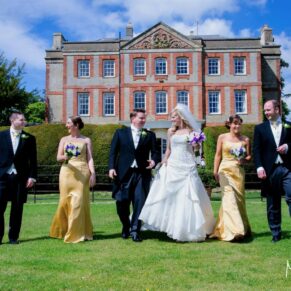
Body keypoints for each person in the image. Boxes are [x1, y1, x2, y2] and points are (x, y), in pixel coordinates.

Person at [139, 104, 215, 242]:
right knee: (169, 196)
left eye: (174, 117)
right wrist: (164, 161)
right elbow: (168, 149)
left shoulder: (191, 132)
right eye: (171, 117)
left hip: (187, 166)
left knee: (188, 197)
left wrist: (197, 144)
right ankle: (171, 227)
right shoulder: (170, 132)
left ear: (181, 117)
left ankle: (189, 230)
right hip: (173, 165)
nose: (172, 119)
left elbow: (195, 150)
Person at [108, 109, 160, 242]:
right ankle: (126, 225)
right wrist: (111, 168)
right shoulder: (120, 133)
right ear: (132, 119)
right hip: (123, 174)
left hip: (142, 173)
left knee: (139, 202)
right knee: (121, 202)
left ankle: (135, 230)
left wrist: (154, 161)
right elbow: (113, 152)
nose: (143, 120)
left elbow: (155, 152)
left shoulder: (150, 135)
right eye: (141, 118)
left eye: (144, 118)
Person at [50, 116, 95, 243]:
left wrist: (93, 173)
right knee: (64, 201)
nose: (66, 125)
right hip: (66, 172)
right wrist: (66, 156)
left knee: (78, 201)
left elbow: (90, 158)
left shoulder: (86, 140)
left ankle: (76, 233)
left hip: (82, 171)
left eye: (68, 123)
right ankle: (62, 230)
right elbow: (58, 157)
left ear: (76, 125)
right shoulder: (64, 139)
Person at [253, 99, 291, 243]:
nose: (266, 113)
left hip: (288, 168)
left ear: (277, 109)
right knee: (272, 202)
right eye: (265, 110)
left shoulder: (289, 126)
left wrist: (288, 147)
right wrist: (259, 166)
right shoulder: (260, 128)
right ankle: (276, 232)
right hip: (270, 170)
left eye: (268, 110)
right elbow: (256, 150)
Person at [211, 115, 251, 241]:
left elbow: (249, 156)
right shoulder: (222, 137)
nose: (237, 126)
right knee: (229, 197)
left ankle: (226, 228)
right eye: (234, 123)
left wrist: (243, 159)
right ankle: (236, 232)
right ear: (229, 124)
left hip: (238, 172)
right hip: (224, 170)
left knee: (238, 200)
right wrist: (215, 171)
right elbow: (218, 155)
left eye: (239, 124)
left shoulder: (245, 139)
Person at [0, 111, 37, 245]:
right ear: (12, 120)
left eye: (24, 120)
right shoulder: (1, 136)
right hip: (2, 177)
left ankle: (13, 238)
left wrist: (32, 177)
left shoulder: (29, 138)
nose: (24, 122)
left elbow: (33, 160)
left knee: (17, 208)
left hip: (20, 178)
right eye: (21, 120)